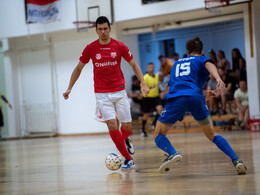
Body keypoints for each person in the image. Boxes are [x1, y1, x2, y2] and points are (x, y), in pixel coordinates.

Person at [63, 16, 149, 170]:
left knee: (127, 126)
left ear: (109, 29)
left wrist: (143, 83)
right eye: (100, 29)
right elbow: (78, 68)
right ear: (96, 31)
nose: (103, 32)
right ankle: (128, 159)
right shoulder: (90, 48)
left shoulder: (119, 46)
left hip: (119, 91)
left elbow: (134, 65)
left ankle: (125, 141)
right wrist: (70, 87)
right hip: (102, 94)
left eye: (105, 28)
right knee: (111, 124)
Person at [153, 37, 247, 175]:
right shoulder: (201, 59)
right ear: (202, 51)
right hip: (195, 99)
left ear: (187, 50)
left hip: (176, 100)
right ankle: (236, 160)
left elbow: (181, 89)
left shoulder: (176, 64)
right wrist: (219, 79)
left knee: (158, 134)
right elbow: (209, 65)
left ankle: (172, 153)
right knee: (212, 135)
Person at [141, 63, 164, 137]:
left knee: (160, 110)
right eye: (150, 67)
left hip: (156, 97)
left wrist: (161, 92)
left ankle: (154, 123)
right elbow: (143, 88)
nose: (152, 68)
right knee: (146, 115)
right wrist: (150, 88)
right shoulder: (145, 77)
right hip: (147, 98)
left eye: (153, 67)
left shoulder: (157, 76)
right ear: (148, 68)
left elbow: (159, 85)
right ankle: (143, 130)